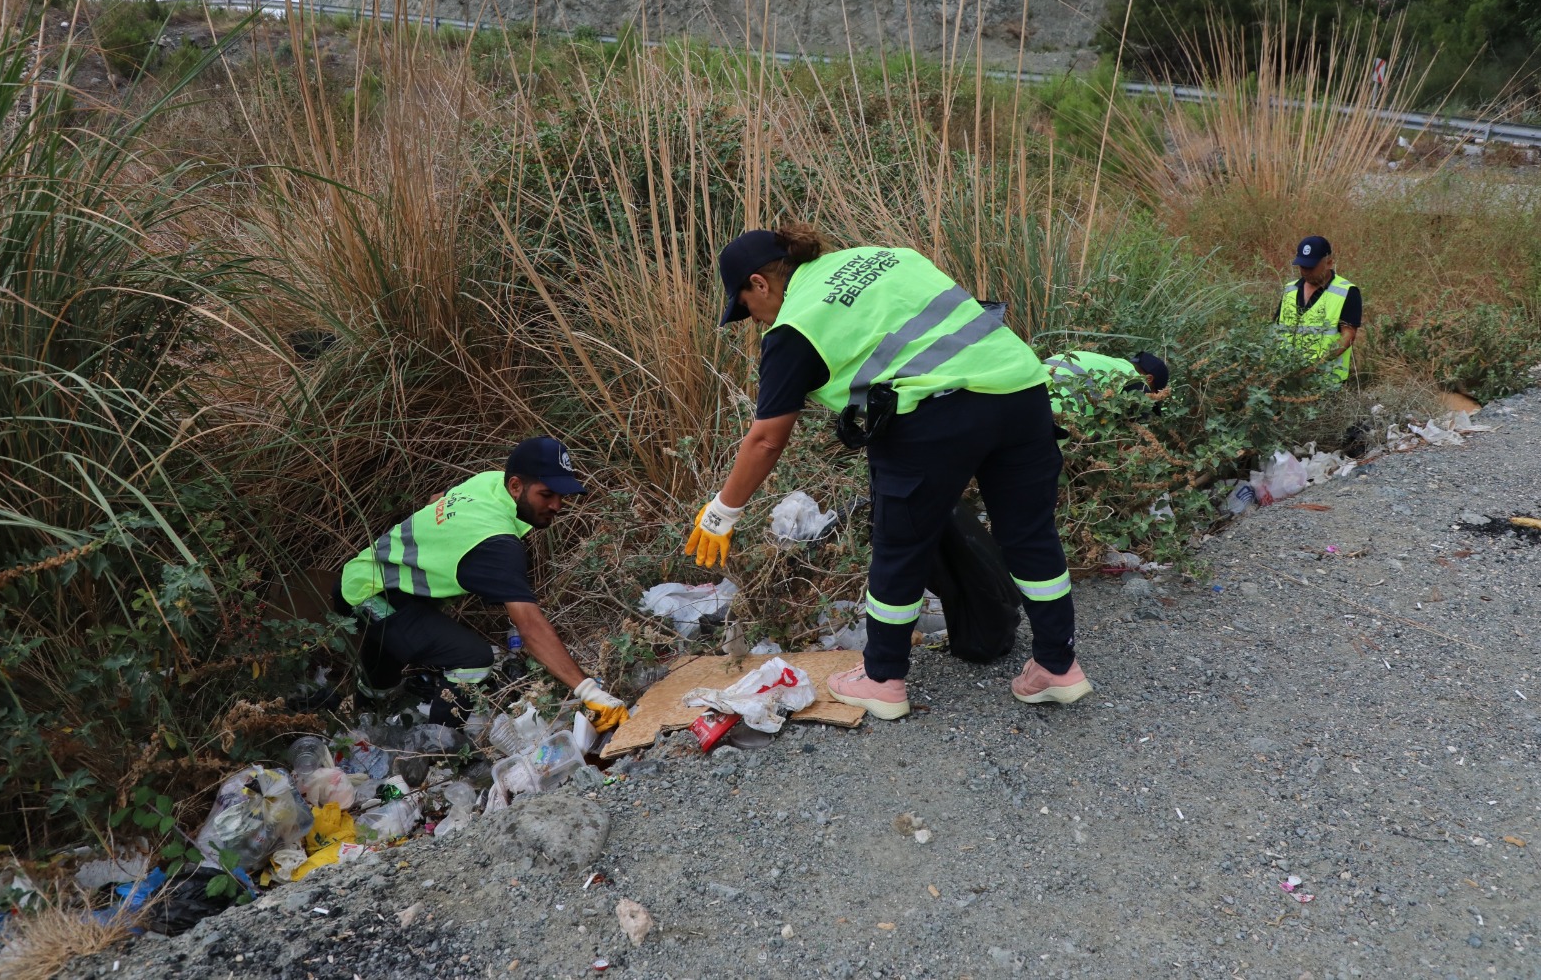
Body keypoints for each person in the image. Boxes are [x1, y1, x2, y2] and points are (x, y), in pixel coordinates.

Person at [684, 225, 1095, 720]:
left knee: (900, 547)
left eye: (745, 304)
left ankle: (882, 680)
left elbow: (767, 438)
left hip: (935, 417)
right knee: (1030, 535)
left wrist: (722, 511)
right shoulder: (883, 256)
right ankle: (1057, 666)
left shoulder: (795, 327)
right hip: (1021, 388)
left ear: (761, 282)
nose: (751, 318)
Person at [336, 437, 630, 731]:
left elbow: (436, 499)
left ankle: (368, 707)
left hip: (379, 577)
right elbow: (529, 626)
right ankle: (438, 752)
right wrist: (590, 692)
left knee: (391, 656)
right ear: (516, 486)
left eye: (562, 494)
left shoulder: (490, 483)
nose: (557, 505)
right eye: (547, 494)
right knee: (473, 661)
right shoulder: (496, 543)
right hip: (366, 593)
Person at [1274, 235, 1361, 383]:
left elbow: (1348, 335)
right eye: (1302, 266)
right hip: (1286, 378)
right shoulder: (1290, 289)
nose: (1306, 271)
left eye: (1311, 267)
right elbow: (1276, 329)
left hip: (1327, 381)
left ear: (1329, 263)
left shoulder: (1347, 291)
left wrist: (1317, 365)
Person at [1042, 349, 1170, 421]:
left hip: (1029, 390)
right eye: (1152, 394)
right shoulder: (1137, 383)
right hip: (1054, 414)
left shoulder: (1108, 363)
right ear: (1149, 379)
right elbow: (1125, 447)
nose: (1148, 400)